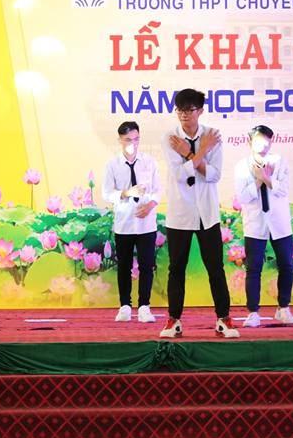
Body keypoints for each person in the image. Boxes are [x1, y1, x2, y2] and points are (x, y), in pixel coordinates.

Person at [159, 88, 239, 339]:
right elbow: (179, 174)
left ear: (200, 111)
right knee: (176, 268)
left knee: (215, 268)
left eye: (190, 110)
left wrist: (192, 153)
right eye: (180, 110)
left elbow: (214, 175)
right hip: (180, 213)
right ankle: (174, 320)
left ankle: (223, 318)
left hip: (207, 213)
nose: (184, 115)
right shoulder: (170, 137)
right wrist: (200, 152)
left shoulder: (212, 135)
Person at [234, 125, 293, 327]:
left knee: (286, 265)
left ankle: (284, 308)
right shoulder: (242, 166)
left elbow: (283, 190)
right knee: (254, 268)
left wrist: (267, 179)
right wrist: (258, 182)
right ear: (249, 142)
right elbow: (243, 197)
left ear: (272, 141)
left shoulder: (280, 162)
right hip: (255, 223)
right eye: (258, 140)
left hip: (279, 222)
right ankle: (253, 312)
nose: (263, 144)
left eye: (267, 140)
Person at [102, 121, 161, 323]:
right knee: (124, 266)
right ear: (120, 140)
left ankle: (144, 306)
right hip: (124, 224)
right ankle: (125, 306)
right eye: (128, 140)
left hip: (146, 224)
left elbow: (158, 191)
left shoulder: (150, 162)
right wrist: (126, 193)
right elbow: (107, 193)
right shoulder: (112, 165)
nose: (132, 144)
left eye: (136, 139)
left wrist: (150, 205)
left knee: (146, 265)